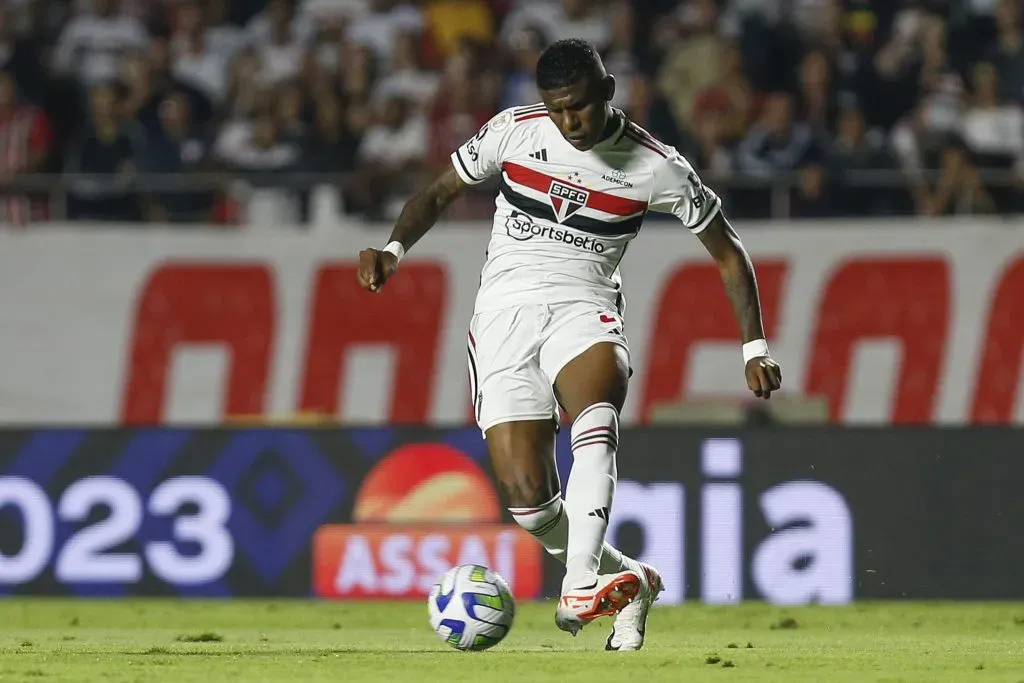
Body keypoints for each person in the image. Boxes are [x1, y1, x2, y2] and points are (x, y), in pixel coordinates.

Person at [356, 38, 782, 649]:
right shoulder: (512, 131)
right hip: (503, 316)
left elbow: (728, 251)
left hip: (585, 309)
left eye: (579, 106)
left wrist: (754, 347)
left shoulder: (655, 165)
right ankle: (629, 579)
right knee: (529, 501)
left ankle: (580, 581)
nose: (568, 121)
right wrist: (393, 250)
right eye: (556, 109)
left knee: (596, 409)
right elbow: (439, 193)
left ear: (608, 92)